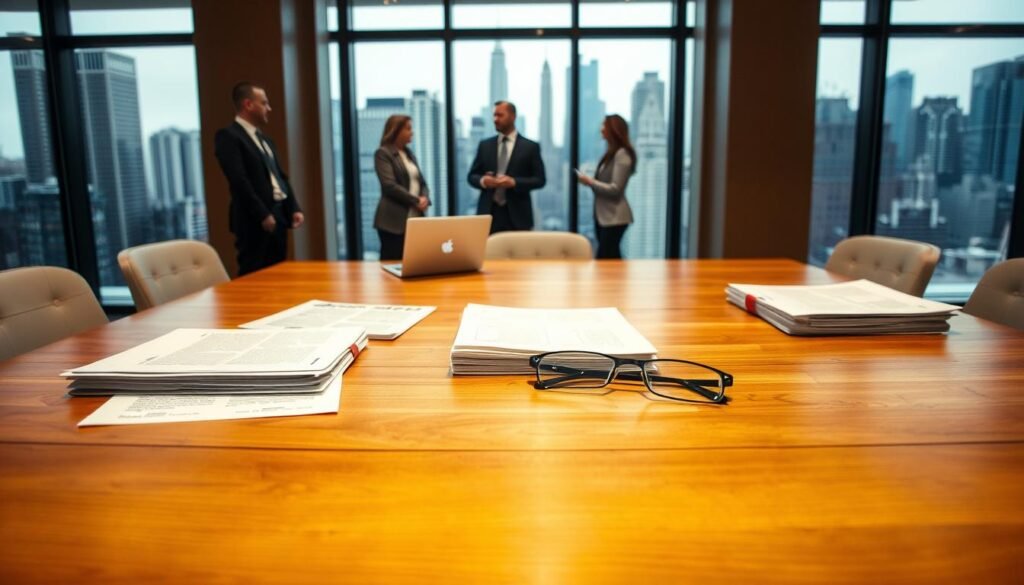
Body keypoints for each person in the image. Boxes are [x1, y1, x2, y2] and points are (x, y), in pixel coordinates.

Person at [214, 82, 304, 277]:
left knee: (278, 273)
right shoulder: (229, 136)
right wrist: (262, 214)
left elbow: (279, 176)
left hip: (278, 215)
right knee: (254, 274)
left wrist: (294, 207)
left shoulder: (264, 139)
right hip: (254, 219)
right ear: (248, 104)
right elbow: (239, 181)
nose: (268, 108)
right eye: (264, 103)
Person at [467, 101, 546, 233]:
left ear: (513, 116)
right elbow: (471, 176)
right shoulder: (485, 145)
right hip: (488, 214)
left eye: (500, 115)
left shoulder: (530, 147)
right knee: (487, 253)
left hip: (519, 216)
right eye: (494, 115)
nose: (495, 119)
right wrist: (484, 181)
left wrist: (514, 182)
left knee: (519, 252)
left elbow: (540, 180)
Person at [576, 114, 636, 259]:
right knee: (611, 257)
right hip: (604, 217)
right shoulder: (611, 153)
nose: (601, 129)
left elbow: (616, 189)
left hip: (615, 217)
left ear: (613, 130)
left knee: (605, 258)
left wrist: (590, 182)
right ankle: (617, 282)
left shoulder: (622, 154)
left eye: (604, 126)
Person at [373, 115, 430, 260]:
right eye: (408, 128)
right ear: (395, 131)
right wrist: (416, 200)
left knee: (416, 262)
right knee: (392, 266)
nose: (412, 132)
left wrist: (425, 198)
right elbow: (389, 186)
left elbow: (422, 182)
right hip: (392, 222)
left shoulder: (409, 154)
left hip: (414, 219)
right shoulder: (383, 153)